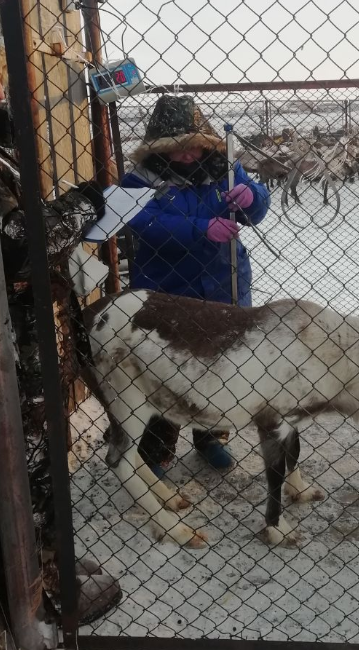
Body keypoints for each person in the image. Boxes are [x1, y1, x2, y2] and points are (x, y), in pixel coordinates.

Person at [0, 74, 122, 623]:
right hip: (11, 348)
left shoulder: (4, 151)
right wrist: (82, 206)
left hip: (27, 340)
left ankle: (51, 558)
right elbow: (24, 236)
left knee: (45, 447)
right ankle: (41, 587)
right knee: (29, 459)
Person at [121, 95, 270, 475]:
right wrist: (201, 229)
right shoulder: (139, 179)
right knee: (163, 369)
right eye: (176, 150)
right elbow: (144, 223)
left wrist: (252, 198)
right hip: (168, 289)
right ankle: (157, 447)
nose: (188, 156)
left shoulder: (223, 168)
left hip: (223, 282)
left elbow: (257, 206)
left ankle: (211, 437)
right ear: (159, 148)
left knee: (219, 365)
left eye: (193, 147)